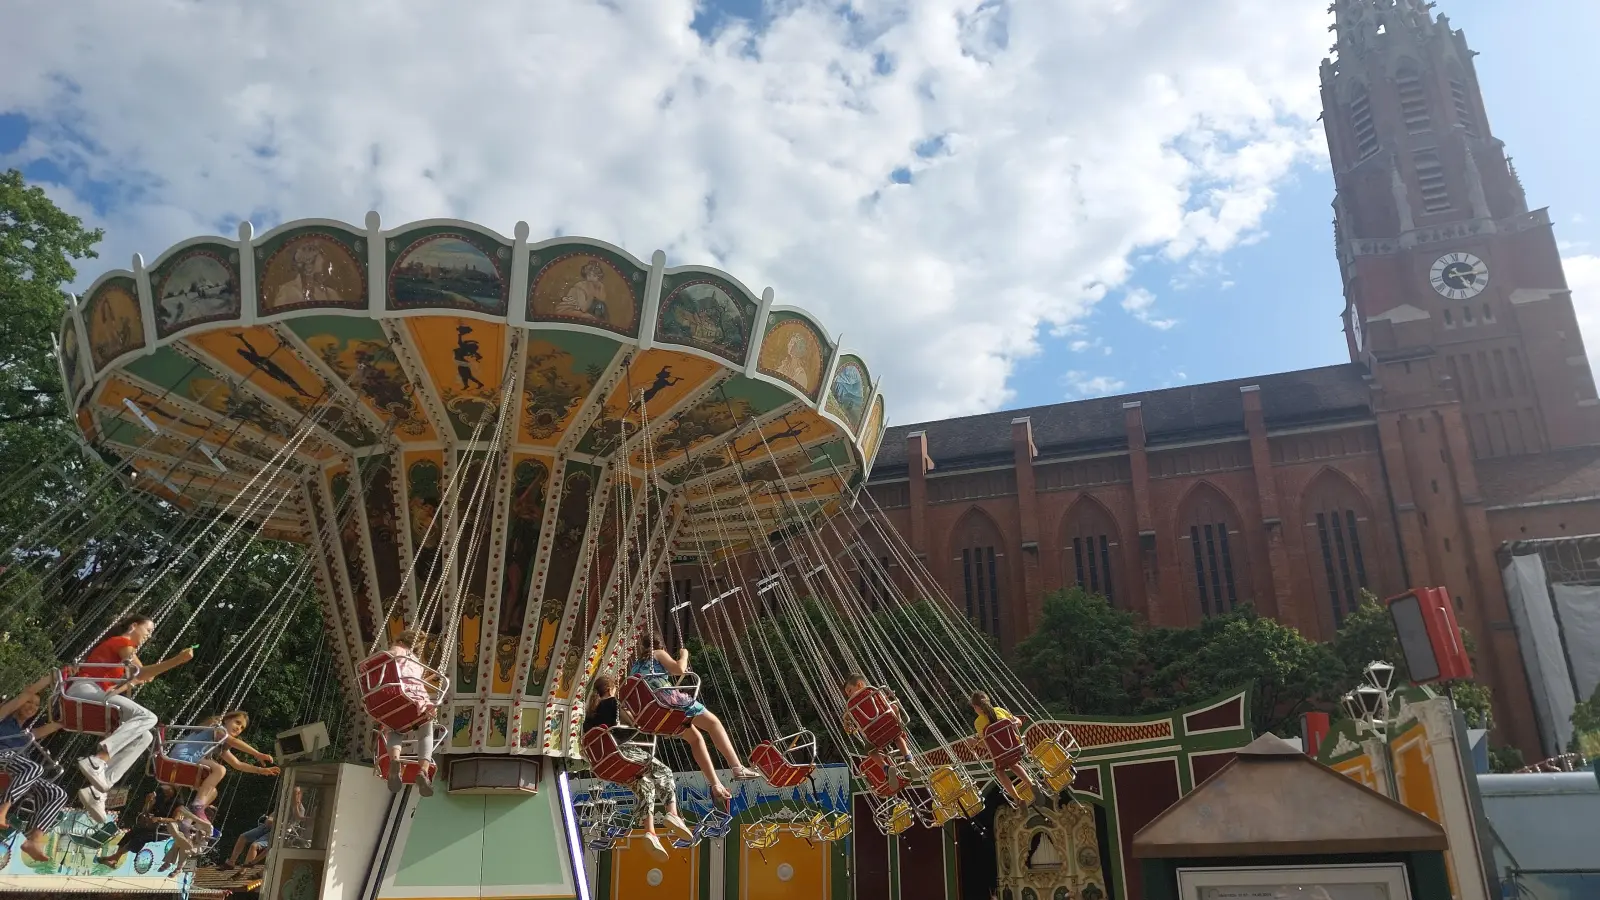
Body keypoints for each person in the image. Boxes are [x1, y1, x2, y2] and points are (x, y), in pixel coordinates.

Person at [71, 614, 196, 822]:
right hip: (85, 688)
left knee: (145, 737)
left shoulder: (128, 651)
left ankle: (98, 792)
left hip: (97, 694)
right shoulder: (122, 641)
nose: (149, 635)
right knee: (147, 716)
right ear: (133, 625)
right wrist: (177, 660)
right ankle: (99, 759)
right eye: (148, 630)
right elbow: (141, 672)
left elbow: (146, 675)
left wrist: (134, 681)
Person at [628, 632, 760, 793]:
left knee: (696, 738)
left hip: (650, 712)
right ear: (660, 645)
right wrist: (684, 655)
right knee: (714, 724)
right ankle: (737, 766)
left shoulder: (635, 667)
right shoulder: (658, 653)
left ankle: (715, 784)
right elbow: (679, 669)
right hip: (668, 703)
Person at [583, 674, 693, 861]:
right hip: (621, 752)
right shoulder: (613, 704)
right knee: (664, 771)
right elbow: (636, 724)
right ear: (610, 689)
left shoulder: (589, 716)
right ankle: (672, 813)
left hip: (605, 764)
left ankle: (650, 831)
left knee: (646, 786)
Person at [168, 711, 279, 828]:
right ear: (226, 720)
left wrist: (260, 770)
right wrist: (257, 754)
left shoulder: (220, 743)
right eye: (237, 722)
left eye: (242, 728)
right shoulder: (217, 729)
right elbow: (234, 741)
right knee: (220, 769)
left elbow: (238, 764)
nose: (238, 728)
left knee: (212, 793)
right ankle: (197, 806)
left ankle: (186, 822)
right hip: (182, 757)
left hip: (190, 761)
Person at [0, 676, 67, 862]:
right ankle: (2, 811)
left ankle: (34, 840)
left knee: (58, 793)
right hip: (3, 758)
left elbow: (57, 725)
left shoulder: (26, 734)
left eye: (36, 705)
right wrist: (53, 677)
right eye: (28, 702)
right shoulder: (3, 716)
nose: (31, 706)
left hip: (20, 769)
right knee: (34, 768)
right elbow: (28, 691)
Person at [381, 630, 440, 796]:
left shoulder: (391, 653)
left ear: (400, 641)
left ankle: (395, 760)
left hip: (391, 697)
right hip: (415, 700)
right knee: (426, 734)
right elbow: (413, 681)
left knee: (394, 729)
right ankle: (423, 771)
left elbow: (397, 674)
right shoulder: (415, 661)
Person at [95, 782, 183, 870]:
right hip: (151, 825)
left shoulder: (178, 803)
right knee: (130, 834)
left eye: (168, 789)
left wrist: (160, 818)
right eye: (164, 789)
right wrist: (148, 802)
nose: (165, 791)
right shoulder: (160, 797)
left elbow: (176, 819)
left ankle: (113, 857)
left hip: (164, 831)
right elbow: (146, 811)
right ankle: (114, 860)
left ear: (174, 791)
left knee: (141, 838)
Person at [970, 691, 1034, 804]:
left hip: (1000, 755)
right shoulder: (999, 710)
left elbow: (987, 745)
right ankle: (1031, 784)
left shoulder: (978, 722)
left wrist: (975, 742)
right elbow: (1018, 722)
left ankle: (1017, 799)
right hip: (1015, 747)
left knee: (999, 771)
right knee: (1013, 764)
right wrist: (1014, 723)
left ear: (976, 707)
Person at [841, 674, 914, 759]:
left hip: (873, 735)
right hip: (888, 724)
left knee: (870, 751)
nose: (849, 696)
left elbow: (847, 723)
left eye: (850, 691)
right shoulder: (873, 691)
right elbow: (884, 704)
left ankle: (885, 767)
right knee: (897, 735)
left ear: (859, 685)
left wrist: (846, 723)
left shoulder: (851, 706)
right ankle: (908, 757)